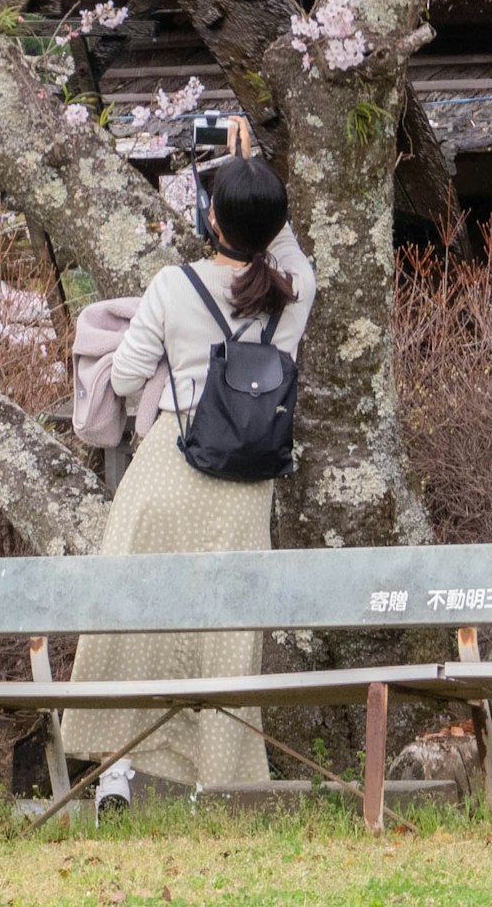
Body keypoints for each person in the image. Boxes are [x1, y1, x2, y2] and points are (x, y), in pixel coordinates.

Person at [61, 153, 314, 798]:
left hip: (169, 470)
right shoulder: (295, 292)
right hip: (243, 488)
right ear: (278, 223)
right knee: (225, 631)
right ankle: (218, 776)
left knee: (131, 617)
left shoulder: (174, 287)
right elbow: (279, 241)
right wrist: (255, 177)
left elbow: (121, 380)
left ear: (210, 216)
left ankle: (117, 765)